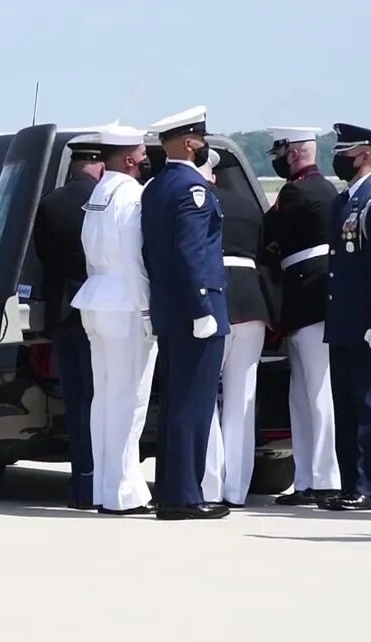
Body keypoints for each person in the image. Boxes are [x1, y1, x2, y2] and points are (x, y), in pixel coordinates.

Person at [140, 106, 230, 521]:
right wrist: (201, 306)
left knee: (180, 402)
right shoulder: (192, 189)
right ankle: (184, 496)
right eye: (201, 138)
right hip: (197, 309)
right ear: (190, 142)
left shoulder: (157, 187)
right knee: (193, 406)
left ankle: (175, 491)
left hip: (170, 310)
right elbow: (192, 253)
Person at [70, 126, 155, 515]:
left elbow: (90, 252)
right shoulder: (133, 196)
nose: (144, 158)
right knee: (129, 398)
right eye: (140, 152)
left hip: (96, 298)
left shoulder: (99, 194)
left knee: (103, 399)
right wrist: (146, 307)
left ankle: (105, 486)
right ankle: (123, 491)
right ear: (128, 158)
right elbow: (136, 259)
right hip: (124, 303)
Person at [262, 127, 342, 506]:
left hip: (309, 299)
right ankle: (309, 477)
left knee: (315, 391)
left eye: (280, 153)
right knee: (305, 393)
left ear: (293, 154)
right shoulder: (326, 188)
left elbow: (270, 232)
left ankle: (323, 478)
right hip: (312, 298)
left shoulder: (296, 191)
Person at [318, 123, 371, 512]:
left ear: (364, 155)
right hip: (342, 319)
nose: (339, 159)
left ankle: (370, 484)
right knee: (344, 404)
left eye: (345, 153)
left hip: (365, 321)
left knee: (365, 405)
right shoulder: (343, 201)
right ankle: (350, 483)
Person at [197, 152, 273, 508]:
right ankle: (236, 489)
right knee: (243, 399)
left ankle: (210, 484)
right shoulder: (248, 208)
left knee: (205, 396)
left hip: (217, 300)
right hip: (251, 301)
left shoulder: (199, 203)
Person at [33, 144, 104, 510]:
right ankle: (102, 482)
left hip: (62, 309)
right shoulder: (104, 201)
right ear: (98, 166)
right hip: (99, 308)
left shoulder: (49, 203)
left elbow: (42, 255)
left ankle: (82, 485)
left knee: (76, 401)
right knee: (102, 400)